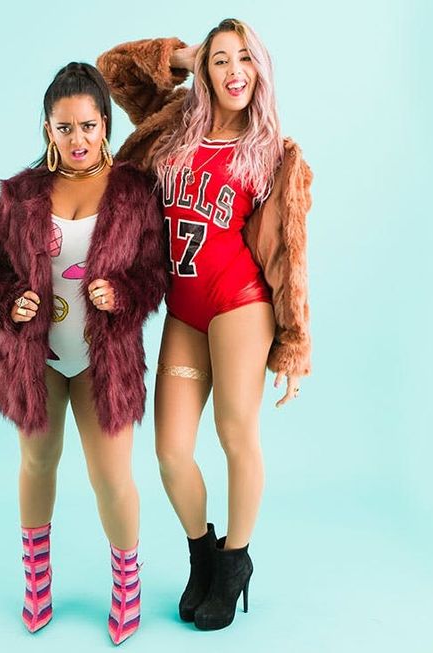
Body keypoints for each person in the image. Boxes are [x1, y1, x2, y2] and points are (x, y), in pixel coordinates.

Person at [97, 18, 313, 631]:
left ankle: (236, 562)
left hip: (241, 301)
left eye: (245, 58)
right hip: (184, 309)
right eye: (221, 61)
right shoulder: (172, 126)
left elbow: (289, 255)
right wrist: (186, 56)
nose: (234, 71)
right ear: (205, 72)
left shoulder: (275, 153)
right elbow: (112, 69)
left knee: (235, 431)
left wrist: (294, 343)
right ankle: (204, 553)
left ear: (260, 69)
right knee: (170, 452)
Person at [0, 62, 166, 645]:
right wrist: (11, 303)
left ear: (105, 124)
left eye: (88, 125)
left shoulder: (133, 192)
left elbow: (155, 272)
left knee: (113, 478)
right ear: (48, 128)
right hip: (38, 360)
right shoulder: (22, 195)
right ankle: (36, 580)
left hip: (105, 363)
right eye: (64, 127)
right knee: (37, 463)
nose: (78, 139)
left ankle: (127, 582)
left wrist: (122, 294)